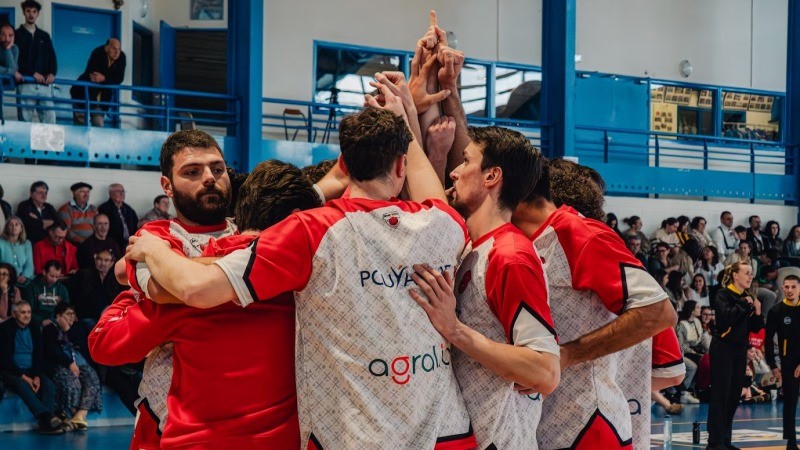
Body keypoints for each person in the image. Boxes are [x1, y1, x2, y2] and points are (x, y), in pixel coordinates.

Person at [124, 100, 480, 447]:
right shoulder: (443, 224)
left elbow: (197, 289)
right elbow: (434, 196)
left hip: (355, 437)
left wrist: (154, 251)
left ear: (343, 164)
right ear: (401, 165)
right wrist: (405, 120)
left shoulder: (310, 231)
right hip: (447, 434)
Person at [91, 159, 321, 448]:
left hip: (194, 440)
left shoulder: (181, 280)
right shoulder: (306, 280)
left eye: (217, 169)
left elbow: (104, 343)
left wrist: (140, 282)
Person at [410, 126, 559, 448]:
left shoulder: (511, 256)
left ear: (491, 176)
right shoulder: (471, 246)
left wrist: (455, 330)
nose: (455, 172)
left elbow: (545, 372)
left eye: (466, 161)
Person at [707, 261, 763, 450]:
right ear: (735, 275)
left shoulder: (747, 296)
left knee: (733, 396)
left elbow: (755, 327)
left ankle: (725, 440)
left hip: (740, 351)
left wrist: (757, 311)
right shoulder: (723, 294)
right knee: (720, 395)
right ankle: (714, 442)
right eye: (746, 273)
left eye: (751, 273)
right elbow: (726, 318)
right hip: (722, 349)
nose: (750, 276)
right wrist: (743, 303)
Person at [0, 301, 63, 433]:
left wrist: (37, 376)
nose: (27, 315)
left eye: (29, 312)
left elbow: (39, 355)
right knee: (22, 385)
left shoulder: (34, 327)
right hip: (12, 371)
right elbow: (4, 359)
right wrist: (24, 377)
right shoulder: (4, 328)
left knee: (49, 385)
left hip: (31, 370)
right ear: (14, 314)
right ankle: (46, 417)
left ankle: (46, 424)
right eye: (23, 312)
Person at [42, 302, 101, 430]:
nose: (71, 317)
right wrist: (69, 363)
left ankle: (80, 415)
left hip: (79, 363)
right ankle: (70, 415)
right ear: (58, 316)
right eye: (68, 314)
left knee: (92, 378)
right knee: (72, 382)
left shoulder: (76, 328)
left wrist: (68, 330)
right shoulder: (49, 329)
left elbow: (83, 346)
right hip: (59, 365)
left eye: (73, 314)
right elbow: (53, 351)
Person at [765, 274, 800, 450]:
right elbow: (768, 340)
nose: (790, 290)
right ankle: (791, 441)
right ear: (782, 288)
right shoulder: (776, 311)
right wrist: (772, 365)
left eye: (793, 287)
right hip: (789, 363)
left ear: (799, 289)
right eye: (787, 287)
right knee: (790, 401)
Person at [14, 0, 57, 124]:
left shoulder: (44, 36)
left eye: (34, 11)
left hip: (44, 85)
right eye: (28, 11)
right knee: (24, 122)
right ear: (24, 12)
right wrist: (32, 73)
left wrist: (52, 73)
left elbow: (52, 57)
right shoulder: (16, 34)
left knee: (50, 119)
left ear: (38, 13)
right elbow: (16, 59)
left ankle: (48, 139)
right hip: (25, 83)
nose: (31, 14)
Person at [70, 38, 126, 127]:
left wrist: (104, 78)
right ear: (106, 48)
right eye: (114, 48)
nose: (117, 52)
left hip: (101, 98)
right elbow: (95, 76)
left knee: (99, 126)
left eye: (119, 49)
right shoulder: (98, 53)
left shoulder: (122, 57)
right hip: (82, 93)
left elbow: (119, 78)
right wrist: (110, 78)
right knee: (80, 127)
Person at [70, 249, 122, 328]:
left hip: (108, 317)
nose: (102, 263)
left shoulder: (114, 278)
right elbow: (73, 296)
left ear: (112, 263)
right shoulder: (84, 274)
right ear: (95, 260)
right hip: (87, 316)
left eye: (106, 260)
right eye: (100, 259)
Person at [25, 260, 69, 325]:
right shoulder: (32, 287)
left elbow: (66, 309)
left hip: (56, 321)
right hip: (37, 322)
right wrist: (41, 321)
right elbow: (28, 311)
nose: (54, 280)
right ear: (44, 272)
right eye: (51, 276)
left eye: (57, 277)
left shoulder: (62, 289)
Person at [97, 184, 139, 251]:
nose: (121, 194)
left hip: (130, 243)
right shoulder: (104, 208)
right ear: (110, 193)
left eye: (123, 191)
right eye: (118, 191)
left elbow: (135, 225)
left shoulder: (128, 209)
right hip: (112, 244)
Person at [0, 215, 34, 284]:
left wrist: (24, 276)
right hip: (4, 279)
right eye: (10, 225)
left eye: (16, 224)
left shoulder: (27, 244)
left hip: (23, 280)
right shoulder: (1, 243)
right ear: (7, 228)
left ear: (21, 228)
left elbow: (29, 265)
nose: (14, 227)